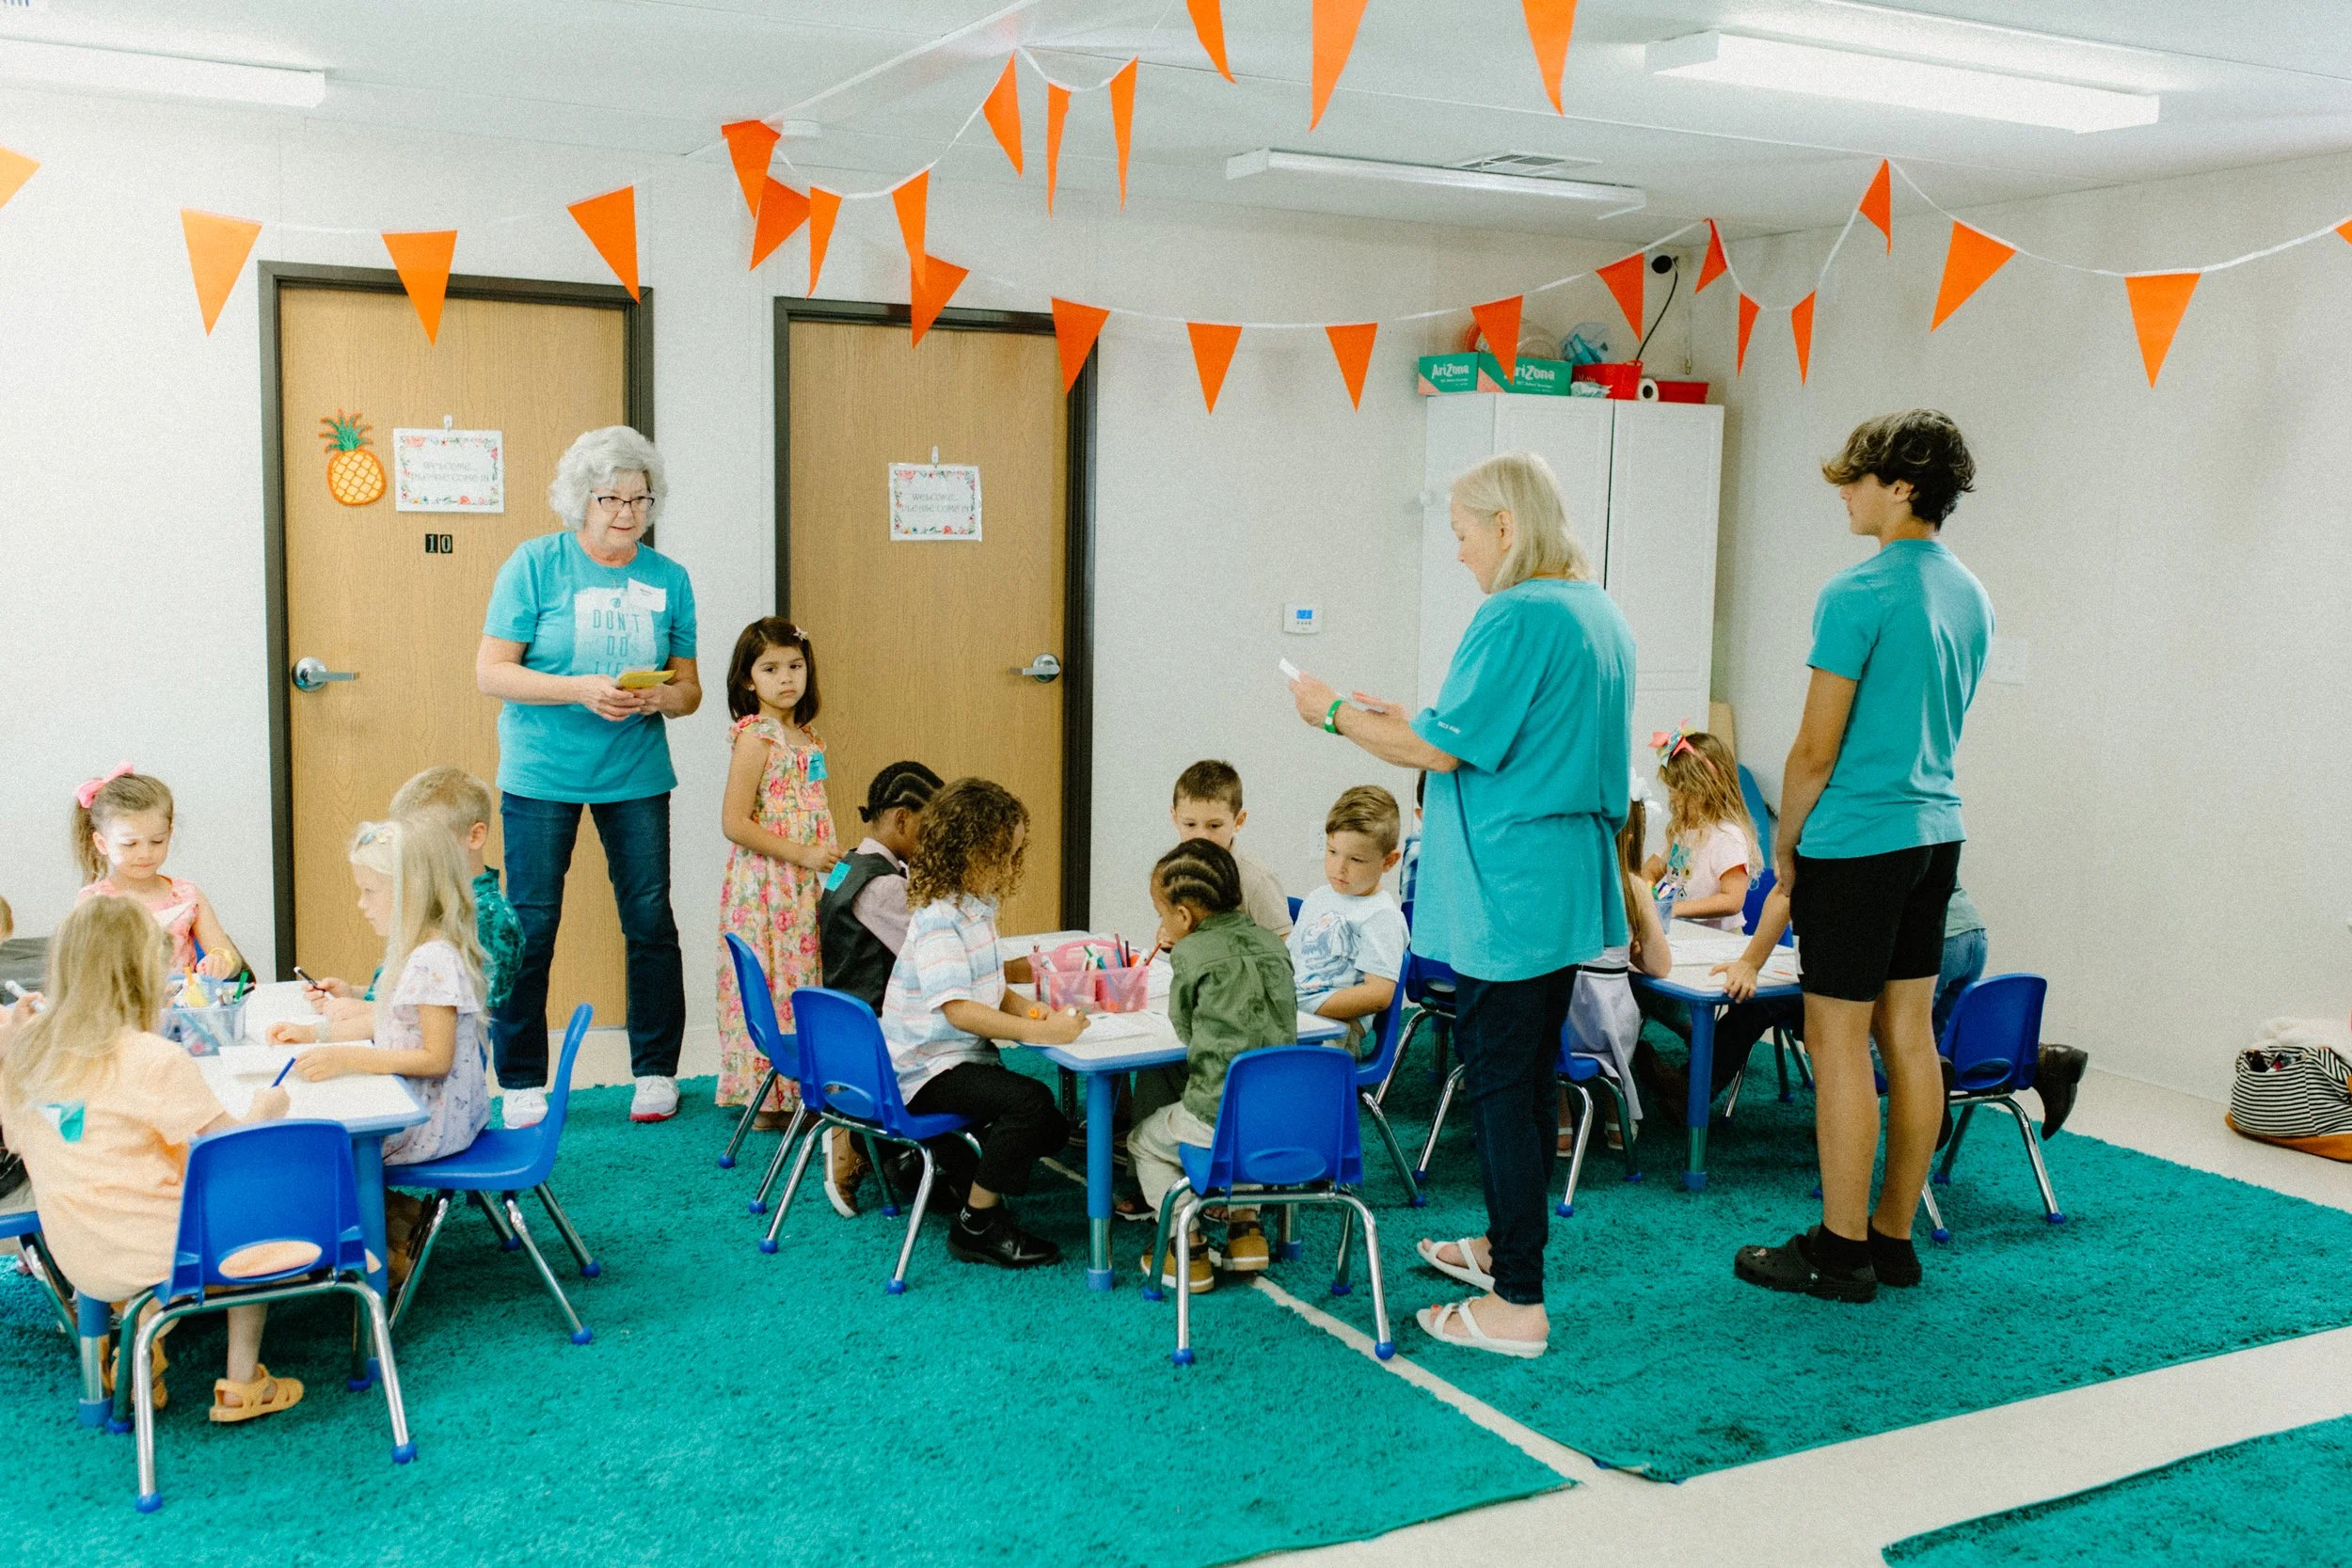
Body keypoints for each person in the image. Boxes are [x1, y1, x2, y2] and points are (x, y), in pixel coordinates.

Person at [1289, 450, 1633, 1359]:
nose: (1459, 553)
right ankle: (1503, 1247)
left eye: (1463, 533)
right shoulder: (1598, 613)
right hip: (1561, 885)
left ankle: (1519, 1301)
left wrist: (1330, 713)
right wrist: (1410, 717)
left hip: (1508, 894)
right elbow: (1489, 734)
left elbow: (1441, 754)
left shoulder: (1514, 613)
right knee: (1525, 1082)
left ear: (1506, 528)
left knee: (1498, 1087)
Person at [1734, 409, 1994, 1305]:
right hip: (1934, 833)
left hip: (1858, 838)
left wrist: (1785, 838)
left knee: (1834, 1037)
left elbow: (1814, 748)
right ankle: (1892, 1239)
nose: (1843, 492)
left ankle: (1838, 1251)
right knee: (1909, 1033)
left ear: (1904, 486)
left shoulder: (1858, 593)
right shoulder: (1970, 592)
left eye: (1855, 478)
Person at [477, 425, 700, 1128]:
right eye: (610, 497)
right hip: (541, 773)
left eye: (640, 498)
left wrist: (658, 695)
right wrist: (581, 688)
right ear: (580, 499)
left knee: (649, 920)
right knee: (530, 926)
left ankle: (657, 1070)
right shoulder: (535, 564)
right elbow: (491, 672)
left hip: (635, 771)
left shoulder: (669, 579)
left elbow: (689, 690)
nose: (626, 513)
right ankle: (518, 1079)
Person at [3, 895, 298, 1422]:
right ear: (143, 974)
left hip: (77, 1255)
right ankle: (243, 1380)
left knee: (139, 1181)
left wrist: (7, 1046)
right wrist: (266, 1109)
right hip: (155, 1251)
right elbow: (228, 1151)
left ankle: (145, 1332)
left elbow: (19, 1138)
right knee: (251, 1209)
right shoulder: (153, 1058)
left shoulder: (30, 1056)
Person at [879, 778, 1083, 1270]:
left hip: (952, 1058)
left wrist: (1035, 1012)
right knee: (1032, 1107)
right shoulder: (937, 918)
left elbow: (987, 988)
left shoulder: (975, 909)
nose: (1009, 867)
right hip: (926, 1068)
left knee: (1052, 1127)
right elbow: (960, 1009)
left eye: (1014, 855)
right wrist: (1040, 1032)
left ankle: (938, 1162)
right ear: (961, 851)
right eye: (1000, 856)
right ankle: (976, 1225)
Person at [1131, 839, 1298, 1294]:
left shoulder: (1190, 953)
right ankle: (1247, 1233)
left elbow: (1186, 1029)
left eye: (1163, 913)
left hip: (1215, 1115)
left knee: (1143, 1142)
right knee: (1250, 1133)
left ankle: (1185, 1244)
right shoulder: (1272, 942)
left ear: (1183, 917)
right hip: (1281, 1118)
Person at [713, 619, 838, 1135]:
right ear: (748, 680)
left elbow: (810, 805)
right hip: (767, 883)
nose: (786, 678)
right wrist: (802, 855)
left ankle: (801, 1088)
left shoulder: (806, 738)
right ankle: (764, 1094)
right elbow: (734, 823)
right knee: (770, 978)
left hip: (805, 881)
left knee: (804, 975)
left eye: (795, 666)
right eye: (770, 668)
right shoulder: (756, 738)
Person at [816, 760, 942, 1217]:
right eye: (930, 828)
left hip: (840, 1022)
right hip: (878, 1030)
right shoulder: (885, 886)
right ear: (902, 819)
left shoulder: (847, 864)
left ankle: (882, 1149)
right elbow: (935, 951)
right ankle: (851, 1137)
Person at [302, 767, 522, 1018]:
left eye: (427, 842)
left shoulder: (490, 919)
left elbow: (455, 1018)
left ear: (474, 836)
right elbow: (412, 992)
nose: (412, 855)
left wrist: (366, 1011)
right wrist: (354, 993)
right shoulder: (430, 899)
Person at [1564, 800, 1675, 1149]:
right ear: (1629, 839)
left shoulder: (1561, 882)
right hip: (1609, 1024)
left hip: (1562, 1023)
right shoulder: (1634, 887)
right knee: (1622, 1015)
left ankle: (1562, 1124)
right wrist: (1628, 953)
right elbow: (1660, 966)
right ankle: (1616, 1113)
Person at [72, 768, 242, 980]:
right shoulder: (94, 901)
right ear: (102, 843)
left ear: (169, 834)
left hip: (182, 1009)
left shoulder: (187, 895)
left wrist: (221, 961)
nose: (145, 853)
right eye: (130, 844)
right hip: (121, 1011)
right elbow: (80, 971)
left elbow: (231, 959)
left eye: (157, 841)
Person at [1288, 784, 1409, 1056]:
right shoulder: (1319, 897)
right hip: (1293, 1013)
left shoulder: (1381, 916)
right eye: (1332, 852)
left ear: (1388, 861)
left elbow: (1378, 995)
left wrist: (1306, 1006)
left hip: (1333, 1027)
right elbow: (1291, 959)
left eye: (1355, 859)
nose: (1339, 868)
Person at [1642, 729, 1758, 933]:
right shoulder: (1683, 831)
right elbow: (1651, 869)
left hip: (1719, 938)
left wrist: (1675, 908)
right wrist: (1647, 892)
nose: (1673, 798)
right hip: (1685, 931)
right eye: (1671, 790)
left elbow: (1732, 900)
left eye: (1681, 791)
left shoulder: (1727, 836)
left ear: (1707, 789)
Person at [1170, 761, 1293, 937]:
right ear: (1175, 818)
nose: (1201, 836)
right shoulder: (1175, 871)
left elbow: (1284, 949)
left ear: (1239, 820)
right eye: (1190, 824)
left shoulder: (1256, 880)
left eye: (1214, 825)